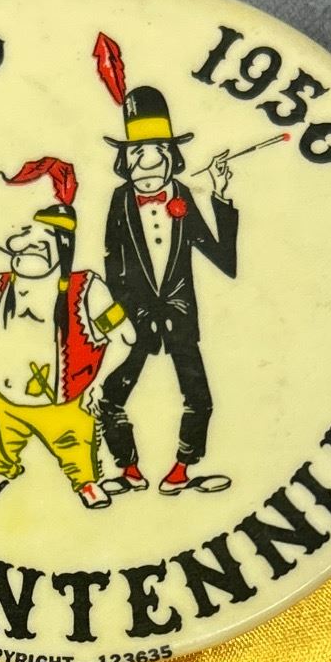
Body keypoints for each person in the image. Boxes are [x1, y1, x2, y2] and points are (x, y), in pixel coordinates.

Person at [0, 170, 135, 510]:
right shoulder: (2, 284)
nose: (29, 245)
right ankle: (0, 469)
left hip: (62, 400)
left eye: (42, 242)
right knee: (0, 435)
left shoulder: (85, 288)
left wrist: (98, 383)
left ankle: (86, 481)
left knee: (74, 440)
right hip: (1, 395)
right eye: (26, 237)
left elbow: (125, 336)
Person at [99, 85, 238, 495]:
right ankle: (129, 470)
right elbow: (112, 265)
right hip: (136, 316)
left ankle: (180, 471)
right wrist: (119, 317)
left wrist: (220, 195)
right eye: (138, 152)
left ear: (172, 157)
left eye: (159, 150)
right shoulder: (120, 200)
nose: (149, 162)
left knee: (200, 399)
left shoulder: (183, 197)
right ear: (125, 160)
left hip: (180, 315)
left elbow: (224, 261)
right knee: (110, 397)